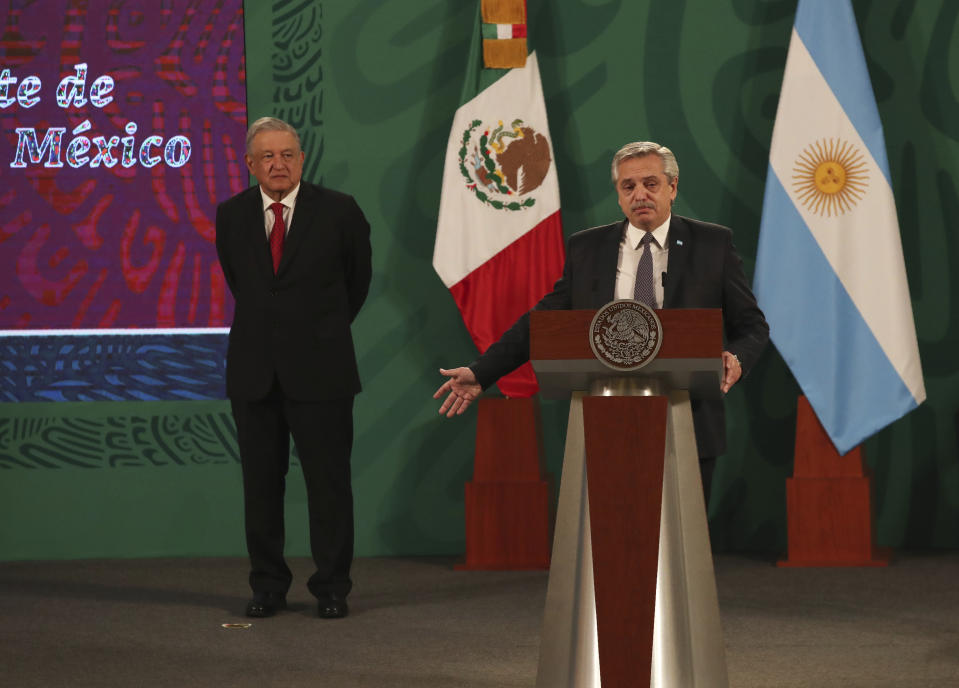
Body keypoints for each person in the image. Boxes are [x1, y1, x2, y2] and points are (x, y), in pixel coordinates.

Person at [433, 141, 769, 501]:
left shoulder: (712, 244)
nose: (640, 194)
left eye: (651, 184)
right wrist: (482, 372)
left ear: (672, 187)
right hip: (607, 419)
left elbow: (751, 325)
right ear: (618, 195)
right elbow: (544, 321)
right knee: (612, 541)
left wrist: (735, 357)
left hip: (689, 418)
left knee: (682, 547)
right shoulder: (588, 248)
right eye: (628, 186)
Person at [216, 117, 371, 619]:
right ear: (250, 164)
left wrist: (317, 332)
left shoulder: (340, 211)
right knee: (260, 487)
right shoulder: (231, 214)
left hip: (322, 371)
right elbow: (243, 283)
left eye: (287, 154)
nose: (278, 164)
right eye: (267, 156)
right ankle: (267, 587)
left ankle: (331, 588)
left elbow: (356, 283)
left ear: (302, 160)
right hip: (254, 373)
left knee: (329, 485)